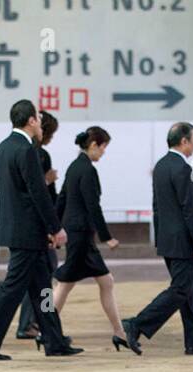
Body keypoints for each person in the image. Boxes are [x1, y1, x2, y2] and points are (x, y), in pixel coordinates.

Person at [0, 100, 79, 359]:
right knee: (11, 289)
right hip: (28, 233)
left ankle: (54, 340)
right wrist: (55, 228)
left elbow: (0, 188)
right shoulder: (26, 150)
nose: (40, 123)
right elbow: (38, 193)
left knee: (43, 290)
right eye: (38, 117)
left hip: (17, 229)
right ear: (31, 121)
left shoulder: (3, 147)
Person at [121, 122, 193, 354]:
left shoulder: (161, 166)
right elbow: (190, 210)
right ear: (183, 141)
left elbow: (156, 207)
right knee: (180, 290)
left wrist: (160, 239)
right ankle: (136, 324)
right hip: (183, 242)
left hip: (168, 240)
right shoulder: (184, 169)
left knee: (190, 292)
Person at [51, 126, 132, 351]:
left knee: (100, 282)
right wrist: (107, 237)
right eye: (104, 147)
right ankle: (44, 328)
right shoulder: (87, 170)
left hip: (77, 234)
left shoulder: (75, 166)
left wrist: (54, 227)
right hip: (81, 236)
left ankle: (119, 332)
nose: (104, 152)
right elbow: (92, 206)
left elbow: (62, 199)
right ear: (94, 145)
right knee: (64, 284)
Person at [17, 111, 66, 343]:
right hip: (40, 231)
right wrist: (53, 228)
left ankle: (42, 325)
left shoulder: (24, 151)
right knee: (39, 282)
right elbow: (39, 194)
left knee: (33, 282)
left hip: (32, 229)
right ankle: (36, 324)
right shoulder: (38, 154)